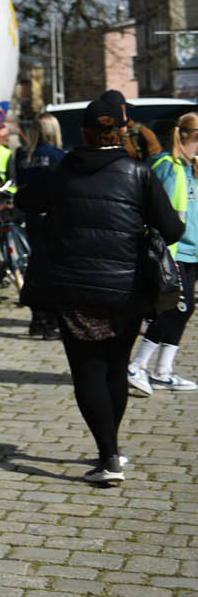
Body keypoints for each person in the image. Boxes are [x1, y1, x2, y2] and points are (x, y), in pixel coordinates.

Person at [16, 97, 182, 485]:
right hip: (126, 288)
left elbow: (25, 201)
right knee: (114, 369)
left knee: (88, 371)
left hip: (74, 289)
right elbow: (172, 230)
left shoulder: (62, 172)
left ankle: (107, 455)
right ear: (121, 131)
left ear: (85, 132)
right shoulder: (139, 172)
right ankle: (112, 451)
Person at [128, 111, 198, 393]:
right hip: (174, 251)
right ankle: (137, 365)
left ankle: (164, 370)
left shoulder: (192, 166)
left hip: (192, 251)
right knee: (175, 308)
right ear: (192, 136)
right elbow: (160, 211)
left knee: (184, 310)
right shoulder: (169, 167)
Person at [17, 114, 66, 341]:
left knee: (35, 266)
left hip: (32, 216)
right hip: (53, 217)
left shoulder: (23, 156)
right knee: (54, 270)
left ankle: (37, 318)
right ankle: (51, 322)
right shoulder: (59, 157)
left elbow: (21, 186)